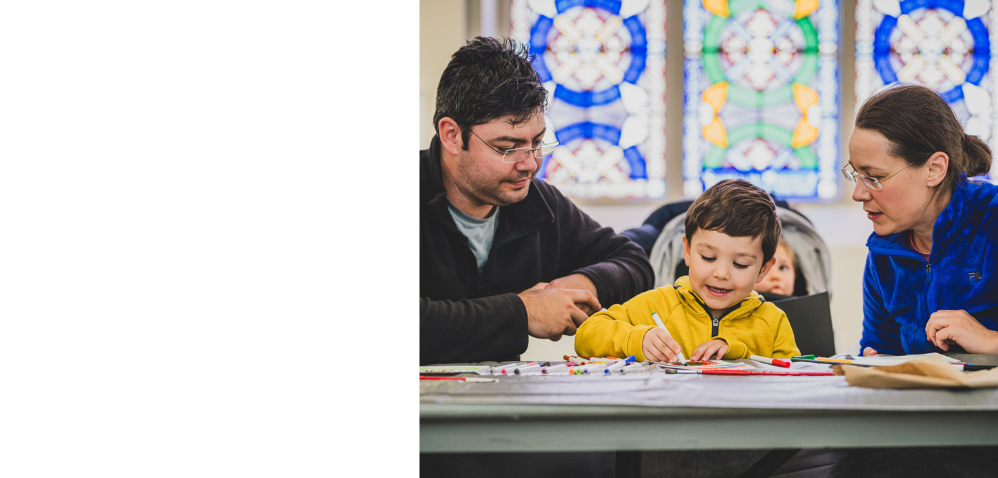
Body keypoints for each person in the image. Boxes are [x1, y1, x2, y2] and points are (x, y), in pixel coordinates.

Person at [420, 37, 654, 366]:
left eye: (538, 142)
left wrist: (583, 283)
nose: (530, 163)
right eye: (508, 147)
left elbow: (633, 262)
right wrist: (524, 312)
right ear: (452, 136)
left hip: (500, 403)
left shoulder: (536, 203)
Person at [574, 179, 800, 362]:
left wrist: (740, 354)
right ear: (688, 251)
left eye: (740, 264)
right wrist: (637, 339)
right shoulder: (660, 304)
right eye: (708, 257)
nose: (721, 273)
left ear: (763, 269)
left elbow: (791, 380)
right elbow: (587, 334)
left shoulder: (773, 322)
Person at [847, 84, 998, 356]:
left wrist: (989, 341)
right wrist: (876, 363)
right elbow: (879, 349)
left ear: (934, 169)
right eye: (856, 174)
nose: (858, 193)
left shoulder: (992, 221)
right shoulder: (884, 253)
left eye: (875, 177)